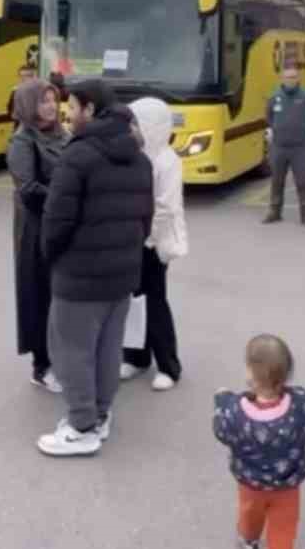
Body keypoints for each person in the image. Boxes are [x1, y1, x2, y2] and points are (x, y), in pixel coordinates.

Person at [36, 79, 153, 457]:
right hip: (122, 274)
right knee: (107, 349)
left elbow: (56, 220)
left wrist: (51, 257)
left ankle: (82, 426)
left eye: (72, 106)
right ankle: (100, 414)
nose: (67, 113)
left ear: (89, 109)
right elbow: (145, 220)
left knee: (70, 350)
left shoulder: (78, 156)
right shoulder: (139, 156)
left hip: (79, 275)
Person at [212, 335, 305, 549]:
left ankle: (249, 541)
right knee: (284, 527)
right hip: (287, 485)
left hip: (250, 484)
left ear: (251, 376)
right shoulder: (300, 405)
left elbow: (221, 431)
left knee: (249, 515)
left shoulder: (234, 412)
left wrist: (221, 400)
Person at [120, 97, 189, 391]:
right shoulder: (134, 155)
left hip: (153, 243)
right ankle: (136, 357)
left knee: (155, 302)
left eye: (136, 123)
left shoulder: (166, 160)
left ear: (152, 126)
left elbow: (165, 207)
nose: (131, 129)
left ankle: (168, 366)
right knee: (133, 301)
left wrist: (146, 237)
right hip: (132, 239)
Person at [7, 79, 70, 393]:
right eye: (42, 101)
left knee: (61, 295)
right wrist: (67, 200)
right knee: (39, 295)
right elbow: (29, 189)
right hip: (36, 229)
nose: (50, 106)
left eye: (52, 100)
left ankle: (61, 358)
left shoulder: (62, 134)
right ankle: (41, 365)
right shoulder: (23, 141)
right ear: (28, 105)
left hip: (63, 224)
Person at [263, 65, 305, 228]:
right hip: (279, 147)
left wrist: (303, 129)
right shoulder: (274, 97)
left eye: (294, 77)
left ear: (298, 78)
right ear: (282, 79)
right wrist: (279, 129)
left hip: (300, 148)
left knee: (302, 182)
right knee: (277, 180)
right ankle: (275, 212)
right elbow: (269, 117)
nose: (291, 80)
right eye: (288, 77)